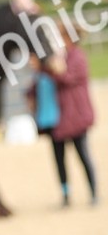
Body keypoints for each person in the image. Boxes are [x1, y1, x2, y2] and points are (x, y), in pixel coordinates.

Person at [42, 22, 98, 207]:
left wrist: (51, 69)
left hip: (75, 116)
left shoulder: (77, 57)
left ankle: (93, 192)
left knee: (83, 155)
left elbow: (67, 78)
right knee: (59, 159)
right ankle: (66, 195)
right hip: (59, 118)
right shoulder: (60, 57)